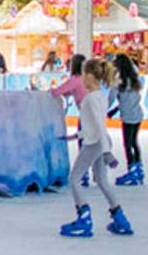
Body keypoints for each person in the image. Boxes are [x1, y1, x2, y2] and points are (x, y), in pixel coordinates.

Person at [59, 59, 133, 237]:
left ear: (91, 76)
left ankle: (84, 218)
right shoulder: (99, 95)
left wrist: (107, 152)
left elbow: (100, 125)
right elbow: (93, 127)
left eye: (84, 74)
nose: (82, 78)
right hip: (99, 141)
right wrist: (74, 136)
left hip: (95, 144)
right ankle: (120, 218)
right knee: (101, 180)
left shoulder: (91, 98)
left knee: (75, 179)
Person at [109, 54, 144, 186]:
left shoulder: (118, 81)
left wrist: (104, 108)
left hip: (128, 117)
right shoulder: (135, 79)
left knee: (127, 144)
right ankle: (138, 168)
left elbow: (112, 98)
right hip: (137, 115)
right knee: (134, 142)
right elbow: (130, 100)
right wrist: (114, 110)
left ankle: (131, 169)